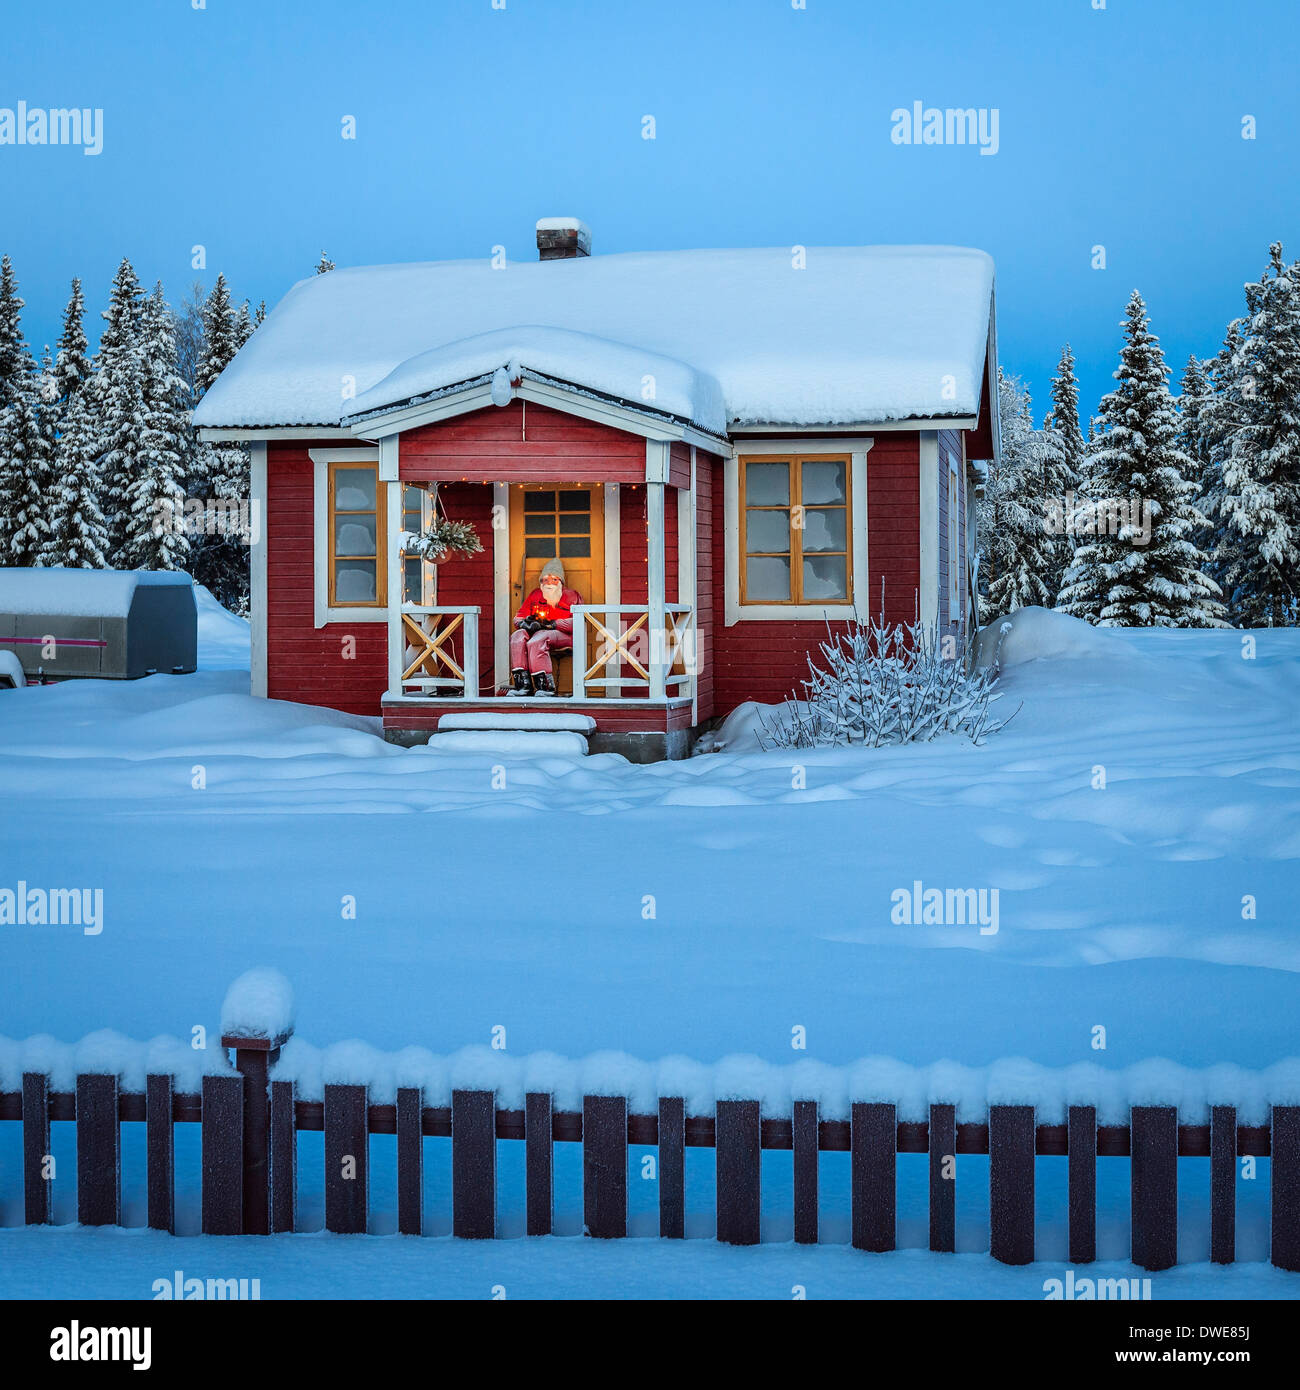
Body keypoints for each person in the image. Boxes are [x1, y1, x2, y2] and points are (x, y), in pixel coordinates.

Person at [509, 558, 581, 695]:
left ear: (560, 581)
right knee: (517, 637)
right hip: (536, 633)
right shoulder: (536, 594)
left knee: (539, 638)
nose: (549, 583)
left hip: (564, 635)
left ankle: (545, 687)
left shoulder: (572, 596)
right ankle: (523, 685)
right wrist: (525, 623)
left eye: (554, 579)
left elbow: (578, 622)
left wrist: (552, 624)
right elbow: (518, 617)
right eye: (545, 579)